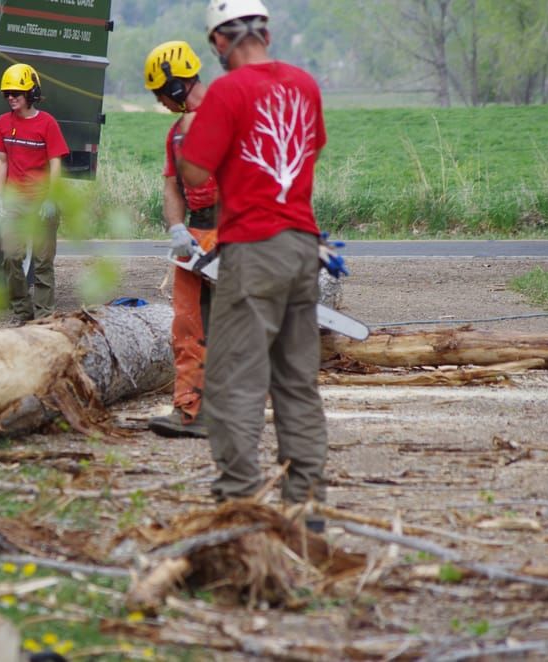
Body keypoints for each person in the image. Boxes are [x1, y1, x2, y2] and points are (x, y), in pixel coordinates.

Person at [177, 0, 329, 529]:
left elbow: (195, 171)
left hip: (253, 247)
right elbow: (311, 150)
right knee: (297, 382)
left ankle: (240, 506)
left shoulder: (227, 91)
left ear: (220, 42)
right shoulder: (304, 84)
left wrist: (192, 131)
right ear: (265, 32)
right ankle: (307, 508)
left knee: (233, 382)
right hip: (303, 245)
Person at [142, 41, 219, 439]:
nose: (161, 102)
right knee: (188, 326)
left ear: (175, 85)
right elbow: (173, 185)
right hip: (196, 233)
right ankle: (192, 410)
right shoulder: (176, 134)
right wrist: (177, 228)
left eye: (161, 94)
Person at [0, 63, 69, 322]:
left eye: (16, 93)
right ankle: (22, 312)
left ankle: (44, 317)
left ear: (31, 94)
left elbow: (55, 162)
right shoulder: (4, 123)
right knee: (12, 257)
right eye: (7, 94)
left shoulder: (47, 123)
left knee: (43, 263)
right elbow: (2, 161)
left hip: (42, 202)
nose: (11, 98)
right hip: (15, 203)